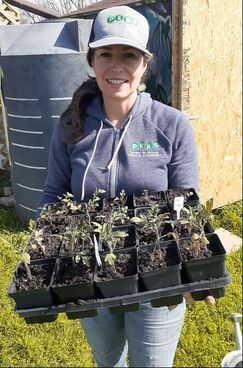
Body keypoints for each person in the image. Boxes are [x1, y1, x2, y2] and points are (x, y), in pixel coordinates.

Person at [37, 5, 215, 367]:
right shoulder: (72, 124)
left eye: (129, 55)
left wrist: (196, 267)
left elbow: (186, 204)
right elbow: (53, 194)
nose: (116, 66)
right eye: (106, 54)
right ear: (92, 61)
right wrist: (44, 258)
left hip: (157, 276)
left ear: (144, 64)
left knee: (150, 361)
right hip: (88, 272)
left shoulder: (172, 124)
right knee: (107, 359)